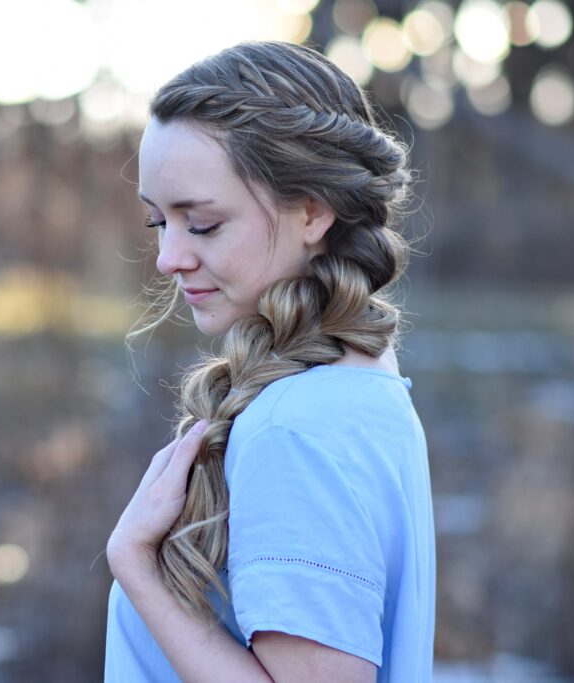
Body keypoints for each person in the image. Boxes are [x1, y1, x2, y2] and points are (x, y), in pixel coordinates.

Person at [103, 41, 435, 682]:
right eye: (157, 223)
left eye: (200, 224)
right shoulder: (356, 389)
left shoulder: (296, 428)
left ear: (312, 210)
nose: (169, 257)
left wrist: (138, 569)